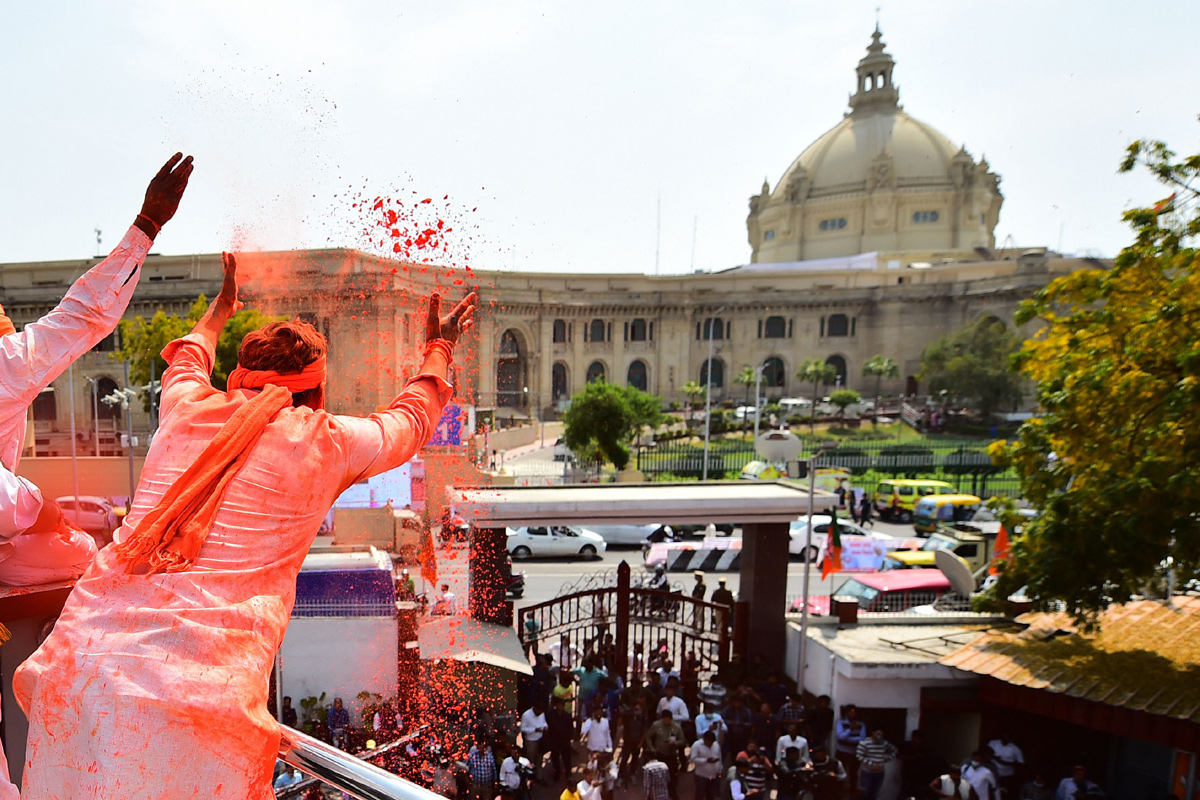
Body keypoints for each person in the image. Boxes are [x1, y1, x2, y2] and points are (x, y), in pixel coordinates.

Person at [12, 259, 473, 799]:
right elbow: (410, 420)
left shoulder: (184, 408)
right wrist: (438, 350)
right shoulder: (328, 441)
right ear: (316, 391)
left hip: (73, 677)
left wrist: (221, 307)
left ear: (239, 376)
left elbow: (188, 356)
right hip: (193, 710)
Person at [644, 709, 685, 799]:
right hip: (660, 754)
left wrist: (674, 743)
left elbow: (682, 741)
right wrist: (651, 748)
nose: (666, 721)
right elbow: (648, 736)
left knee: (673, 776)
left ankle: (672, 791)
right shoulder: (656, 725)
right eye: (665, 719)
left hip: (672, 755)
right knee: (659, 775)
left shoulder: (676, 727)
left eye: (668, 719)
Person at [855, 728, 897, 800]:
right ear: (873, 732)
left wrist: (885, 759)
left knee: (874, 793)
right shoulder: (864, 743)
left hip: (879, 772)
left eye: (881, 734)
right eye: (878, 734)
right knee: (865, 792)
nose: (879, 736)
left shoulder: (884, 743)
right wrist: (872, 765)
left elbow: (894, 750)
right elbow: (859, 756)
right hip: (867, 772)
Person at [835, 704, 866, 784]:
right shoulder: (841, 722)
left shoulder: (861, 724)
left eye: (853, 712)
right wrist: (850, 729)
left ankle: (852, 792)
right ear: (846, 713)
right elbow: (841, 736)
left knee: (854, 773)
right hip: (842, 752)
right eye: (850, 712)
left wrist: (848, 739)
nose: (852, 714)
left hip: (855, 752)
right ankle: (839, 791)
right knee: (840, 772)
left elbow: (862, 739)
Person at [546, 697, 575, 782]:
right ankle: (557, 772)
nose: (560, 707)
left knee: (567, 757)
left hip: (565, 740)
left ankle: (568, 773)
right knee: (555, 757)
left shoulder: (567, 715)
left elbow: (571, 728)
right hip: (554, 740)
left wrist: (569, 737)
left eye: (562, 705)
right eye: (558, 705)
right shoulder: (550, 715)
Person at [689, 729, 723, 800]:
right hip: (701, 775)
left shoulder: (716, 744)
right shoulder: (697, 745)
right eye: (709, 741)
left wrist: (719, 770)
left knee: (711, 795)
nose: (711, 743)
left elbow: (719, 757)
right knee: (700, 794)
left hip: (713, 775)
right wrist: (706, 760)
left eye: (712, 742)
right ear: (705, 739)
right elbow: (693, 759)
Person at [520, 702, 548, 774]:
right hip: (531, 741)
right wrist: (535, 730)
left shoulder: (542, 713)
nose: (540, 713)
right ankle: (529, 776)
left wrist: (545, 727)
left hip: (541, 740)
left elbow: (544, 722)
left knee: (539, 759)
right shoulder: (526, 715)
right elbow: (523, 729)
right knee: (530, 760)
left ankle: (538, 775)